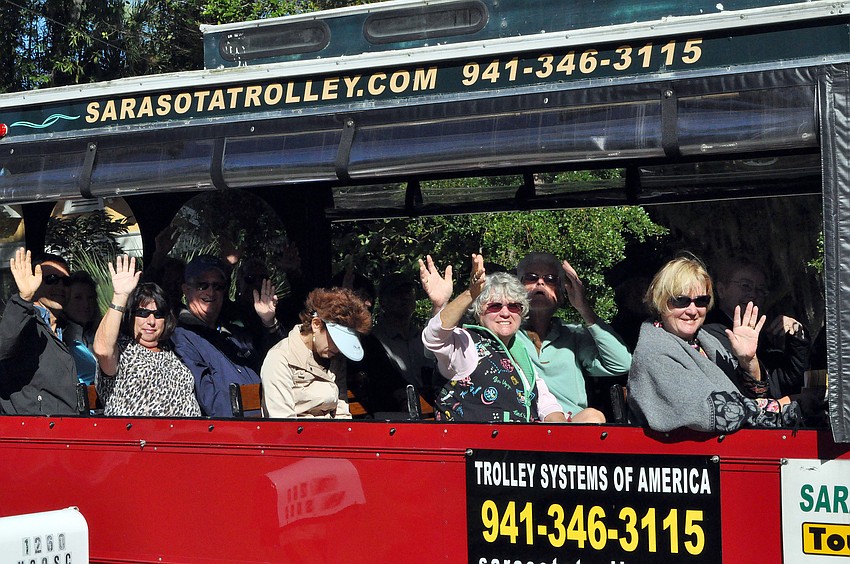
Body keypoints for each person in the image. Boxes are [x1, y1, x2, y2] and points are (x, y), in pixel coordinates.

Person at [628, 254, 799, 433]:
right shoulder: (655, 351)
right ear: (661, 301)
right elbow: (709, 413)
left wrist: (748, 361)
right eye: (681, 300)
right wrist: (779, 406)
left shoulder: (706, 343)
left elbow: (755, 394)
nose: (692, 310)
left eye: (701, 301)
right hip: (683, 456)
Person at [419, 254, 567, 423]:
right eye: (495, 306)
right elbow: (434, 337)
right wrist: (462, 296)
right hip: (476, 446)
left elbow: (547, 405)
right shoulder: (464, 343)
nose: (505, 313)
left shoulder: (519, 352)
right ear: (478, 312)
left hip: (522, 445)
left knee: (592, 416)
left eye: (514, 306)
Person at [516, 252, 632, 422]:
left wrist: (583, 307)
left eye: (550, 279)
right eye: (531, 277)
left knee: (593, 417)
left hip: (571, 427)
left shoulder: (573, 334)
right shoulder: (507, 333)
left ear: (562, 294)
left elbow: (621, 363)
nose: (540, 282)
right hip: (523, 426)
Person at [93, 256, 201, 417]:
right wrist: (120, 296)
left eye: (158, 314)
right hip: (137, 437)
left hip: (185, 436)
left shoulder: (173, 349)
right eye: (143, 313)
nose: (151, 321)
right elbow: (102, 349)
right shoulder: (122, 350)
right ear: (131, 316)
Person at [171, 254, 267, 417]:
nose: (211, 292)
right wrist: (263, 401)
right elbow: (213, 402)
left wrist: (269, 323)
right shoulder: (181, 337)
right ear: (187, 290)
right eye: (203, 285)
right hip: (229, 432)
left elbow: (272, 367)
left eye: (218, 286)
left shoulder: (236, 333)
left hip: (265, 424)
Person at [702, 257, 810, 398]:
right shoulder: (710, 333)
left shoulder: (761, 335)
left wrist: (797, 336)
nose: (753, 294)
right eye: (745, 285)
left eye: (760, 290)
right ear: (722, 290)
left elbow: (787, 382)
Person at [261, 287, 372, 418]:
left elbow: (342, 414)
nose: (337, 349)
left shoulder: (336, 358)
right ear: (316, 324)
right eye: (335, 341)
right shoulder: (280, 358)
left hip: (332, 435)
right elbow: (283, 422)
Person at [0, 248, 78, 415]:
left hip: (66, 429)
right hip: (33, 432)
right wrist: (23, 299)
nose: (61, 286)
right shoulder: (26, 322)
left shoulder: (68, 329)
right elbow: (3, 344)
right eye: (51, 279)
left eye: (67, 281)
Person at [355, 273, 438, 413]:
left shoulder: (425, 338)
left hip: (431, 413)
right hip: (391, 417)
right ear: (383, 301)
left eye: (408, 292)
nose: (404, 297)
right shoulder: (371, 341)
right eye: (397, 293)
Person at [64, 270, 100, 385]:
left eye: (90, 297)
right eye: (78, 298)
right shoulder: (61, 341)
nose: (86, 304)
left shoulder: (98, 337)